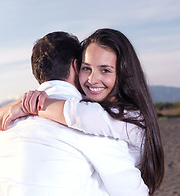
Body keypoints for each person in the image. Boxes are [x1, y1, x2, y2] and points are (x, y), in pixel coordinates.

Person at [0, 31, 149, 196]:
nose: (92, 80)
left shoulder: (9, 124)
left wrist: (25, 105)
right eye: (87, 68)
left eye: (105, 70)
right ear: (76, 66)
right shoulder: (95, 130)